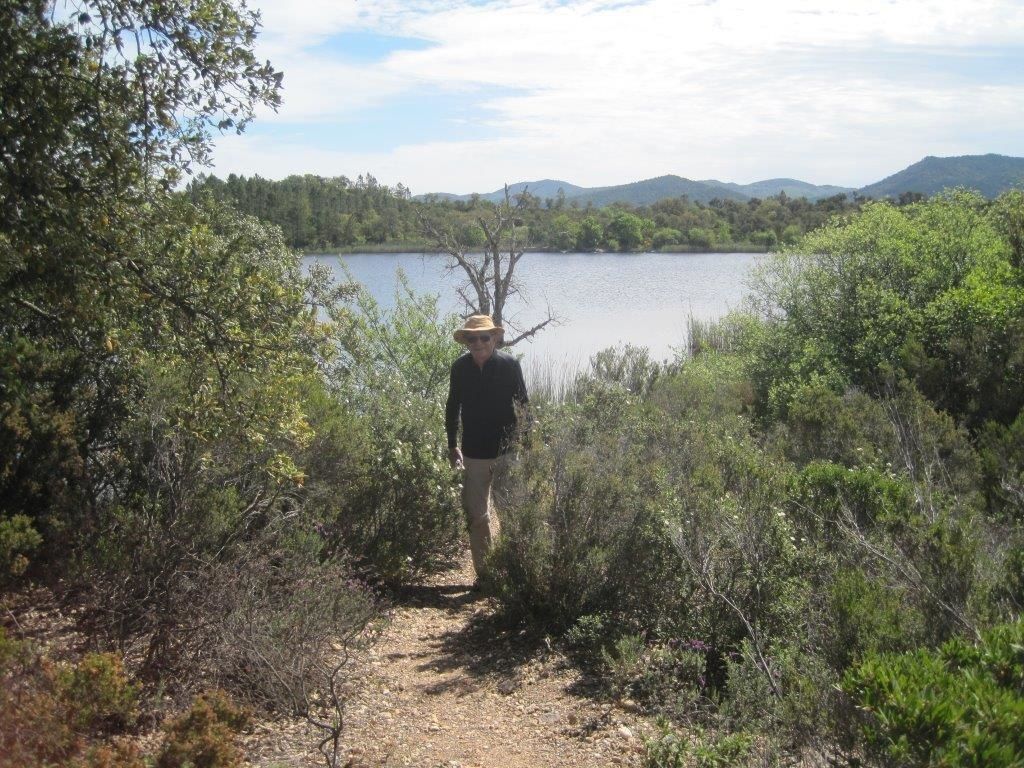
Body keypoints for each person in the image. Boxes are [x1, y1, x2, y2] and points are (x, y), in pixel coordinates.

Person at [445, 314, 528, 581]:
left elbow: (524, 405)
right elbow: (452, 407)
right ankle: (487, 576)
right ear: (466, 341)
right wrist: (451, 445)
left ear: (494, 338)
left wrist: (525, 444)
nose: (478, 343)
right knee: (477, 516)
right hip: (473, 453)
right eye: (472, 338)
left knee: (510, 511)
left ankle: (516, 571)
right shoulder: (459, 368)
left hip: (507, 451)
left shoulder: (510, 365)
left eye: (484, 337)